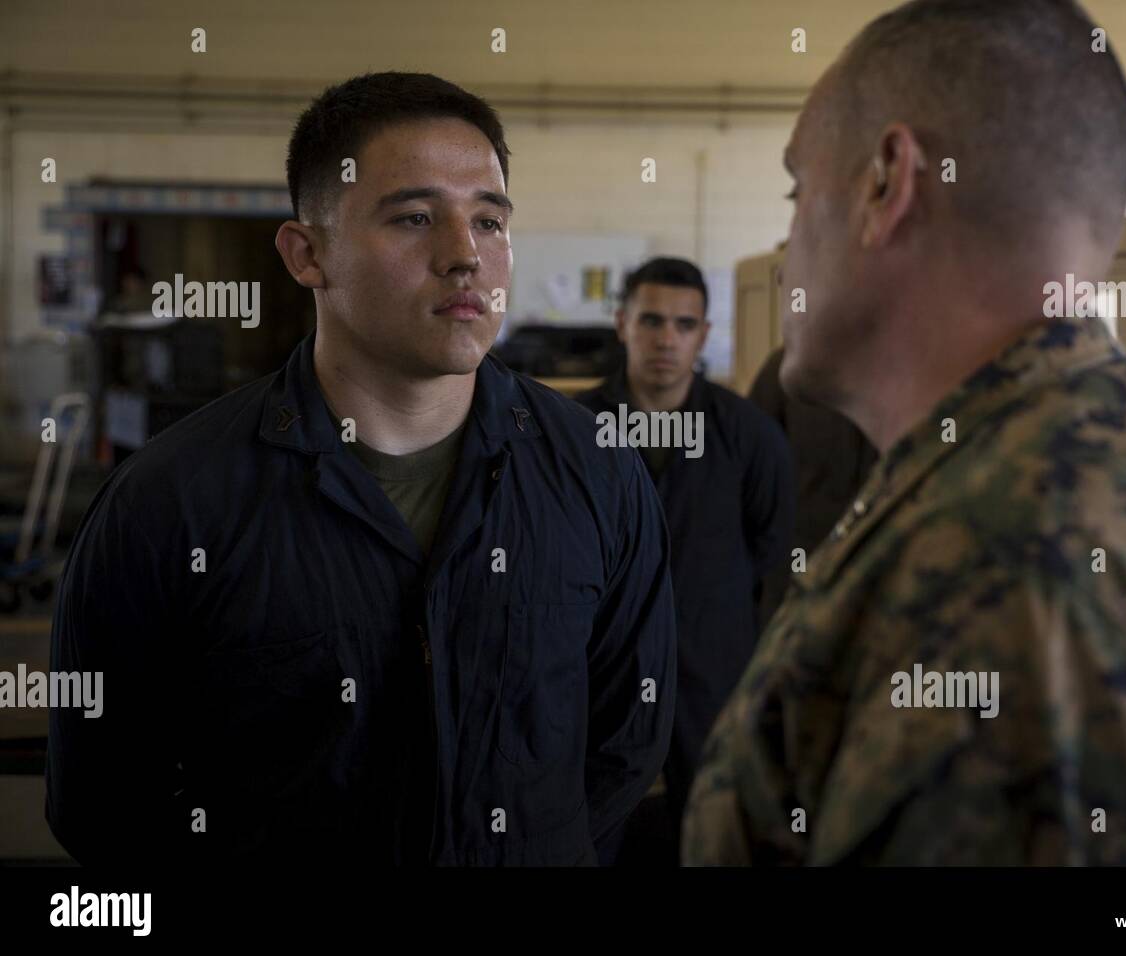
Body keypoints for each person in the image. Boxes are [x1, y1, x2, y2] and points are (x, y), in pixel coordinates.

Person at [683, 0, 1126, 866]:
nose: (790, 237)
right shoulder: (1117, 443)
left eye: (798, 189)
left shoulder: (1009, 553)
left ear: (885, 183)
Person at [46, 72, 676, 866]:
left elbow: (626, 740)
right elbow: (103, 803)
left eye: (489, 220)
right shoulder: (171, 502)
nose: (464, 257)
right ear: (308, 254)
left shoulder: (598, 474)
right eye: (415, 217)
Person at [575, 257, 793, 861]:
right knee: (593, 825)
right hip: (601, 670)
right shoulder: (575, 433)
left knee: (715, 829)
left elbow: (772, 551)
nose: (666, 338)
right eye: (651, 320)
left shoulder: (749, 437)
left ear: (703, 333)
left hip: (715, 668)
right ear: (621, 323)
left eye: (683, 323)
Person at [748, 345, 877, 628]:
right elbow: (750, 479)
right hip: (793, 579)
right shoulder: (785, 369)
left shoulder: (907, 372)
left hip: (877, 573)